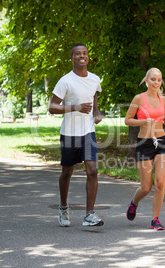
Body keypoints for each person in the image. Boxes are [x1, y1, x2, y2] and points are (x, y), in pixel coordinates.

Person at [49, 43, 104, 227]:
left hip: (88, 132)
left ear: (88, 56)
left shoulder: (95, 79)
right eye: (77, 54)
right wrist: (76, 108)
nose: (82, 56)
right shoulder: (66, 81)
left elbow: (94, 95)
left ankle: (89, 214)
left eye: (85, 53)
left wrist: (96, 113)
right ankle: (63, 207)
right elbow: (52, 107)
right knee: (67, 172)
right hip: (69, 134)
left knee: (93, 171)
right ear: (71, 58)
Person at [124, 67, 165, 230]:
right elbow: (127, 120)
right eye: (153, 79)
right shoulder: (139, 98)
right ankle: (134, 203)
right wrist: (142, 122)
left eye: (159, 80)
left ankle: (155, 219)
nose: (156, 82)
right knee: (146, 187)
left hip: (161, 141)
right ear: (146, 80)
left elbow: (164, 118)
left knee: (160, 183)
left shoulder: (164, 99)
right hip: (144, 143)